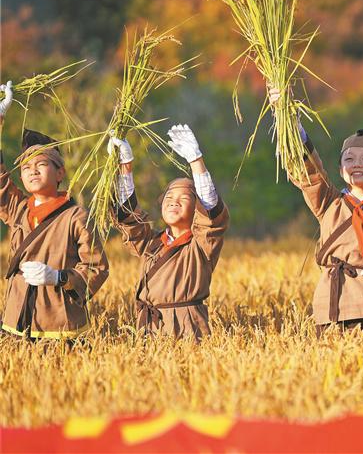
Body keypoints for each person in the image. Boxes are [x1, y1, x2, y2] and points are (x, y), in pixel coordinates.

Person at [268, 88, 363, 338]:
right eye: (349, 159)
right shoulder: (329, 203)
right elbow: (309, 173)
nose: (356, 165)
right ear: (341, 170)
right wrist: (286, 117)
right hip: (333, 307)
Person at [0, 80, 109, 340]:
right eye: (25, 167)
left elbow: (98, 268)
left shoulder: (76, 216)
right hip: (15, 319)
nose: (32, 170)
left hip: (60, 326)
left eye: (41, 164)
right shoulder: (17, 208)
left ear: (60, 172)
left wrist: (59, 277)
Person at [108, 124, 229, 341]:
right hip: (148, 328)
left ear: (197, 208)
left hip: (187, 326)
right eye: (169, 198)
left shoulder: (201, 246)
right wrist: (125, 167)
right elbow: (129, 219)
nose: (174, 202)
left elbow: (213, 217)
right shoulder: (151, 242)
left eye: (183, 198)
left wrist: (196, 162)